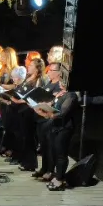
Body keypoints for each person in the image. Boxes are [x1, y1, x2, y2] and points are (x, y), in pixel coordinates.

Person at [33, 63, 78, 191]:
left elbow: (62, 113)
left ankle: (60, 179)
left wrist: (48, 114)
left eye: (63, 83)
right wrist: (42, 111)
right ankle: (57, 176)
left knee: (61, 153)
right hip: (55, 127)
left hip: (65, 128)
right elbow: (53, 108)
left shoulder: (71, 95)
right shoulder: (61, 94)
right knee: (54, 151)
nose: (60, 84)